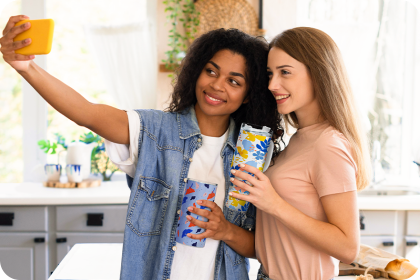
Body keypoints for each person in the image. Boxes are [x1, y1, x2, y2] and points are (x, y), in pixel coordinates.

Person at [0, 15, 282, 280]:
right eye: (211, 71)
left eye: (234, 81)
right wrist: (27, 67)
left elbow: (261, 247)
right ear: (198, 72)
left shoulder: (253, 153)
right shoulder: (153, 131)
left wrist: (225, 230)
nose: (217, 85)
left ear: (247, 96)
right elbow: (86, 112)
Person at [229, 27, 371, 280]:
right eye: (271, 74)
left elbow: (348, 249)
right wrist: (223, 229)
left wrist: (274, 204)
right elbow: (278, 245)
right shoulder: (300, 139)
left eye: (285, 72)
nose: (273, 85)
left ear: (318, 74)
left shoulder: (329, 144)